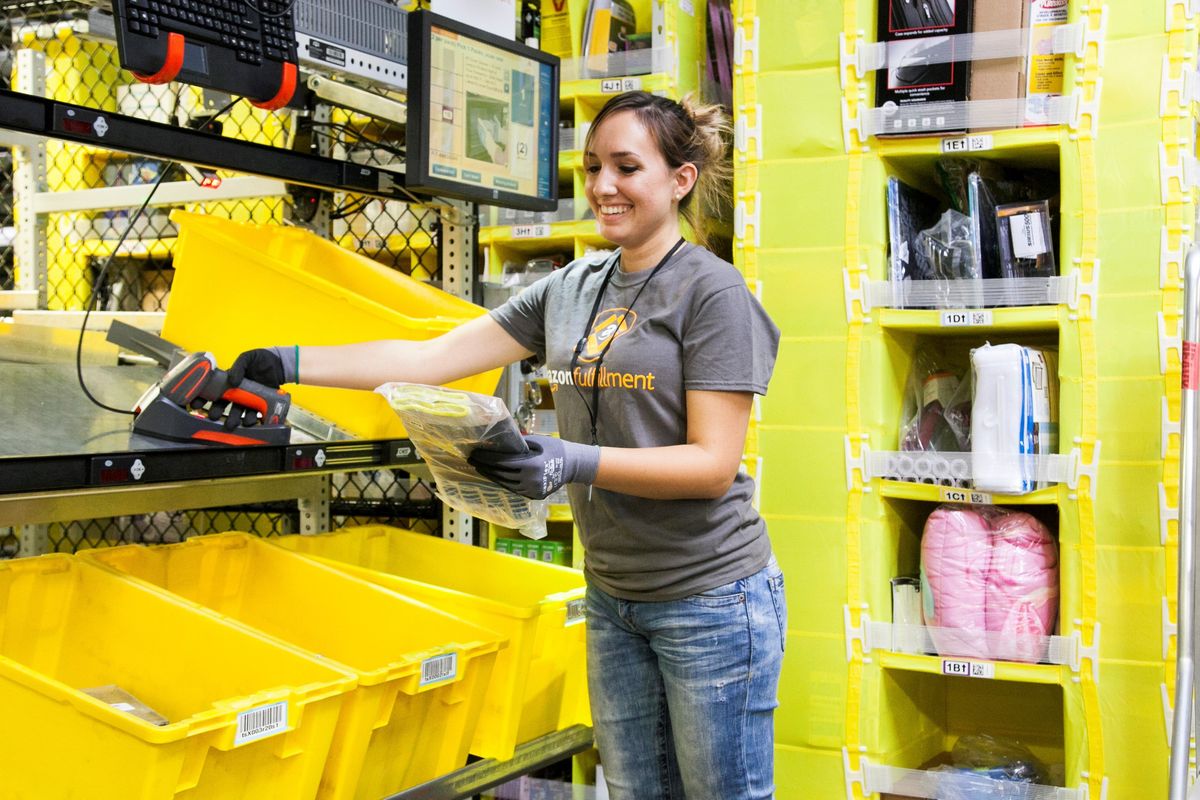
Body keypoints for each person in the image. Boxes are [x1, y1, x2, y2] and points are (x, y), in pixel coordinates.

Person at [228, 90, 785, 799]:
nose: (602, 187)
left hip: (710, 598)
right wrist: (290, 362)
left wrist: (568, 461)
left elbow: (712, 466)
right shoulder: (572, 288)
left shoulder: (714, 294)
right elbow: (433, 358)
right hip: (615, 595)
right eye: (591, 168)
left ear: (679, 180)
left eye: (626, 167)